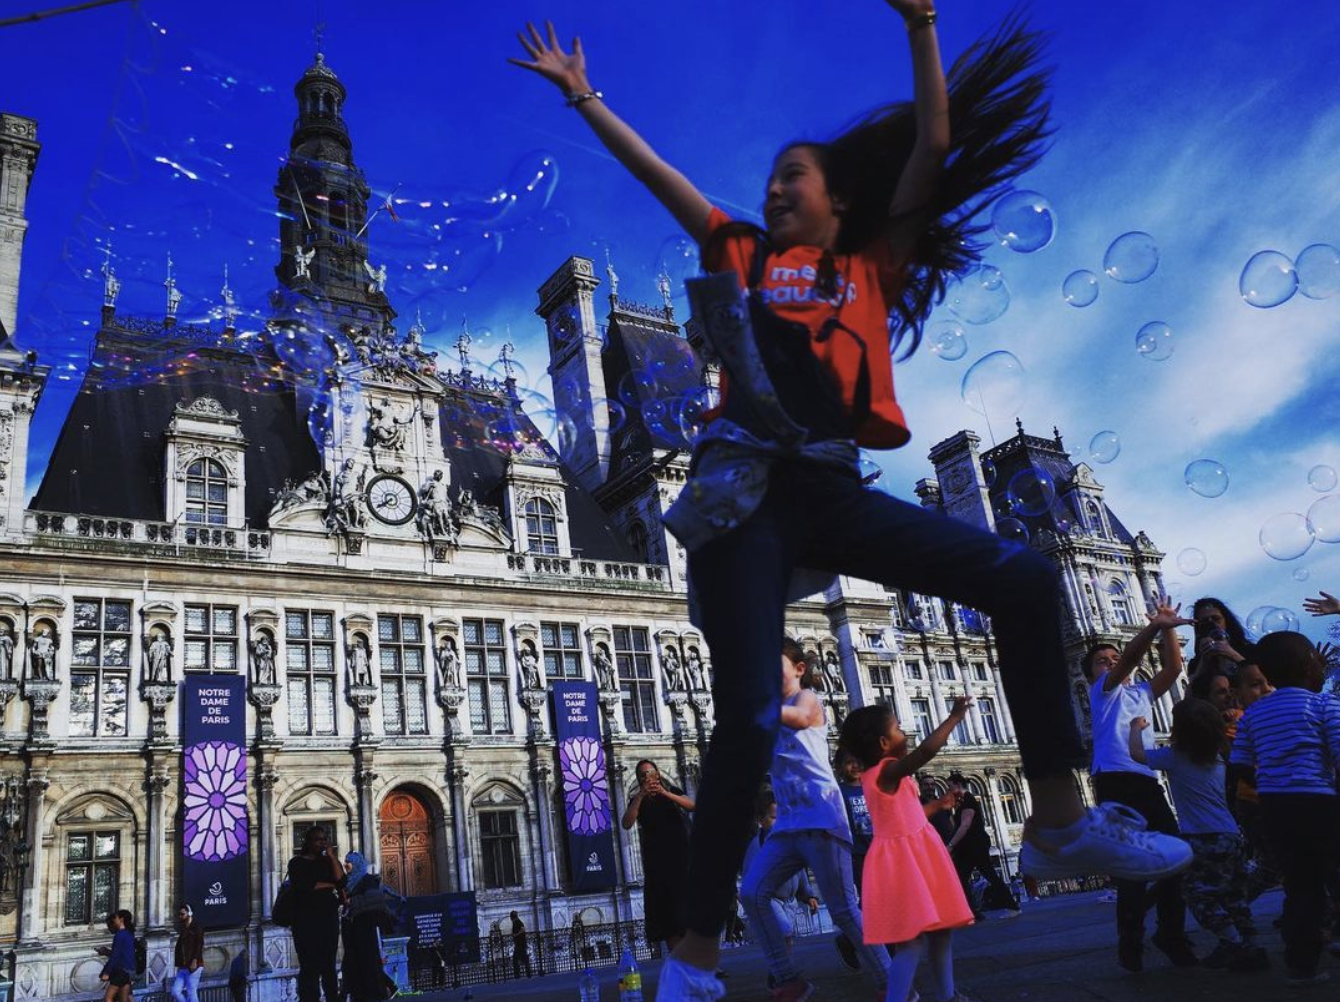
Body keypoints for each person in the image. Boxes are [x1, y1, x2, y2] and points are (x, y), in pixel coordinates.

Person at [510, 11, 1193, 999]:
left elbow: (933, 143)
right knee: (746, 716)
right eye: (769, 177)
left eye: (794, 173)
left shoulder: (871, 264)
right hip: (743, 493)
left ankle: (1055, 819)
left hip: (827, 485)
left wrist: (920, 22)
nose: (774, 186)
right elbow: (661, 176)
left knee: (1024, 576)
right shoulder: (746, 257)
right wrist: (584, 97)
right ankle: (691, 964)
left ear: (838, 200)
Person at [740, 640, 891, 998]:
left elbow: (801, 719)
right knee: (752, 892)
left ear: (799, 670)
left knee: (843, 911)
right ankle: (788, 978)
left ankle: (894, 983)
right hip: (788, 824)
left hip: (822, 817)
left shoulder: (806, 699)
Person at [1083, 599, 1197, 972]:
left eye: (1113, 657)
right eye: (1102, 661)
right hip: (1115, 780)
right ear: (1093, 675)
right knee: (1133, 867)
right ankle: (1130, 939)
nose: (1111, 662)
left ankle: (1170, 934)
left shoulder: (1141, 693)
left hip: (1146, 780)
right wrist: (1154, 627)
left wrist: (1168, 630)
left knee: (1175, 858)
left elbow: (1174, 668)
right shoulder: (1103, 693)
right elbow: (1132, 658)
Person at [839, 699, 977, 1002]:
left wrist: (937, 805)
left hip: (914, 854)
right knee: (912, 942)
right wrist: (954, 717)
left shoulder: (881, 777)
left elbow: (906, 815)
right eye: (899, 729)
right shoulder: (886, 771)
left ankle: (947, 995)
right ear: (884, 743)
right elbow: (925, 752)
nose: (905, 733)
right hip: (906, 862)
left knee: (939, 931)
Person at [1228, 631, 1340, 987]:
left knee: (1299, 885)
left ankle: (1301, 965)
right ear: (1310, 666)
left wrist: (1268, 785)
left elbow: (1240, 763)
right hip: (1321, 802)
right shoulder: (1323, 704)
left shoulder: (1252, 715)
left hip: (1276, 808)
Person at [1128, 704, 1266, 971]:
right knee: (1235, 895)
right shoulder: (1218, 756)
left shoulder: (1175, 756)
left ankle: (1232, 942)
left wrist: (1136, 728)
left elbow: (1136, 754)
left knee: (1196, 894)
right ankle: (1252, 946)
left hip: (1201, 838)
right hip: (1230, 835)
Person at [741, 790, 822, 984]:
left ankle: (780, 971)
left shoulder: (788, 840)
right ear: (760, 820)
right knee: (784, 931)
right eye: (774, 817)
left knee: (787, 937)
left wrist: (808, 894)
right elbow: (749, 875)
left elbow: (799, 869)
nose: (780, 822)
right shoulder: (758, 845)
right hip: (770, 899)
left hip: (790, 899)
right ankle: (782, 972)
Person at [622, 760, 695, 952]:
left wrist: (665, 793)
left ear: (658, 774)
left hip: (681, 858)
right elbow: (627, 823)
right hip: (658, 863)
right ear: (639, 779)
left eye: (650, 772)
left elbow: (692, 806)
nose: (648, 777)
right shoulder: (637, 799)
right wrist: (640, 796)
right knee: (668, 917)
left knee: (688, 911)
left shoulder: (671, 790)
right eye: (643, 774)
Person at [945, 773, 1019, 917]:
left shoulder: (968, 800)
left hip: (974, 847)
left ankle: (968, 910)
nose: (949, 790)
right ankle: (966, 910)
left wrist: (951, 845)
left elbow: (965, 825)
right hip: (970, 847)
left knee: (980, 876)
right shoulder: (963, 801)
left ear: (958, 785)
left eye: (950, 787)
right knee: (964, 877)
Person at [287, 825, 347, 1002]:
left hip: (328, 919)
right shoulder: (297, 863)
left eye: (324, 839)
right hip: (305, 920)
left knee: (329, 964)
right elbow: (304, 885)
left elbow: (342, 881)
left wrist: (332, 857)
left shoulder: (327, 862)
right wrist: (329, 885)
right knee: (309, 966)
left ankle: (332, 998)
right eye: (318, 840)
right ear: (308, 842)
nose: (322, 843)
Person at [342, 851, 401, 1002]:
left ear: (356, 863)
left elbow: (374, 900)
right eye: (345, 861)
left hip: (365, 928)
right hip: (351, 929)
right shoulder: (347, 882)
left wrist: (351, 902)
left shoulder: (368, 880)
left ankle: (376, 994)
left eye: (348, 862)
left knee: (368, 963)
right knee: (352, 964)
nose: (345, 864)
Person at [1186, 597, 1254, 683]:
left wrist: (1231, 654)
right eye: (1205, 621)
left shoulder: (1249, 650)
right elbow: (1192, 688)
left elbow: (1262, 678)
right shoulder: (1196, 663)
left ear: (1226, 621)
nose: (1211, 624)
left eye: (1216, 619)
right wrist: (1204, 661)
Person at [97, 909, 136, 1002]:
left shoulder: (120, 935)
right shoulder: (129, 933)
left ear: (121, 920)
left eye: (116, 918)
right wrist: (106, 952)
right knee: (125, 999)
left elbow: (115, 956)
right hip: (130, 970)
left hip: (121, 970)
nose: (114, 920)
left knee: (108, 998)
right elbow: (123, 953)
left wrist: (106, 972)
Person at [170, 904, 205, 1002]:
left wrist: (194, 960)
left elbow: (199, 944)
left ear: (189, 914)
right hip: (183, 966)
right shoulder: (184, 928)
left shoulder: (197, 927)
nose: (180, 916)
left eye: (182, 914)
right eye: (179, 914)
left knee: (191, 991)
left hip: (194, 965)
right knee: (175, 991)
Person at [509, 910, 533, 979]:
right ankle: (527, 973)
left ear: (511, 917)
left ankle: (518, 975)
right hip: (520, 943)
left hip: (520, 944)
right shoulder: (516, 921)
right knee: (523, 959)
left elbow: (523, 929)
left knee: (516, 959)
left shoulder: (517, 921)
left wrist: (516, 935)